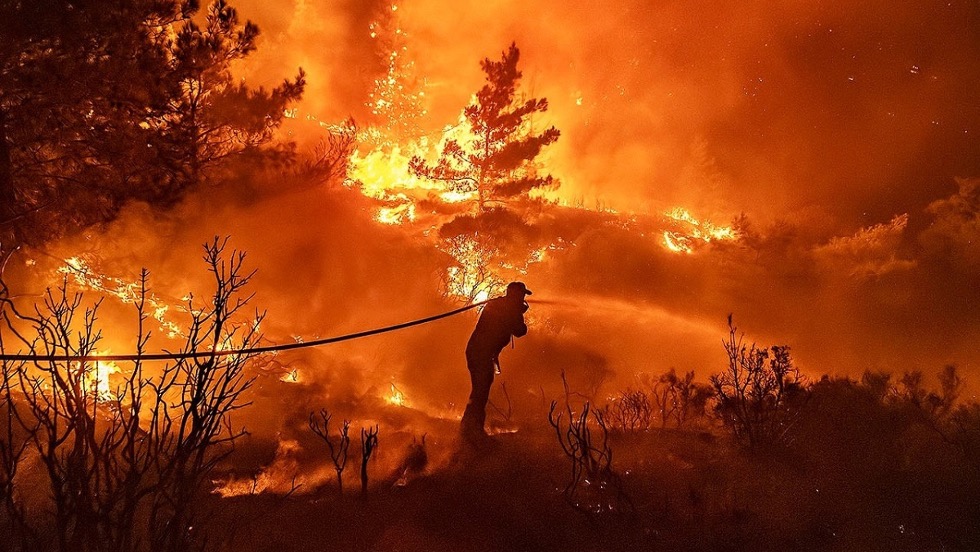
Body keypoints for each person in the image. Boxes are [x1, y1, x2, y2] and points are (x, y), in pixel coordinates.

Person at [460, 281, 531, 443]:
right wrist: (519, 312)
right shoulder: (509, 308)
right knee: (480, 391)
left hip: (479, 352)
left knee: (481, 390)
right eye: (521, 295)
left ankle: (471, 427)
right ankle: (470, 429)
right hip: (481, 354)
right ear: (515, 295)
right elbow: (520, 330)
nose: (523, 298)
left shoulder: (498, 304)